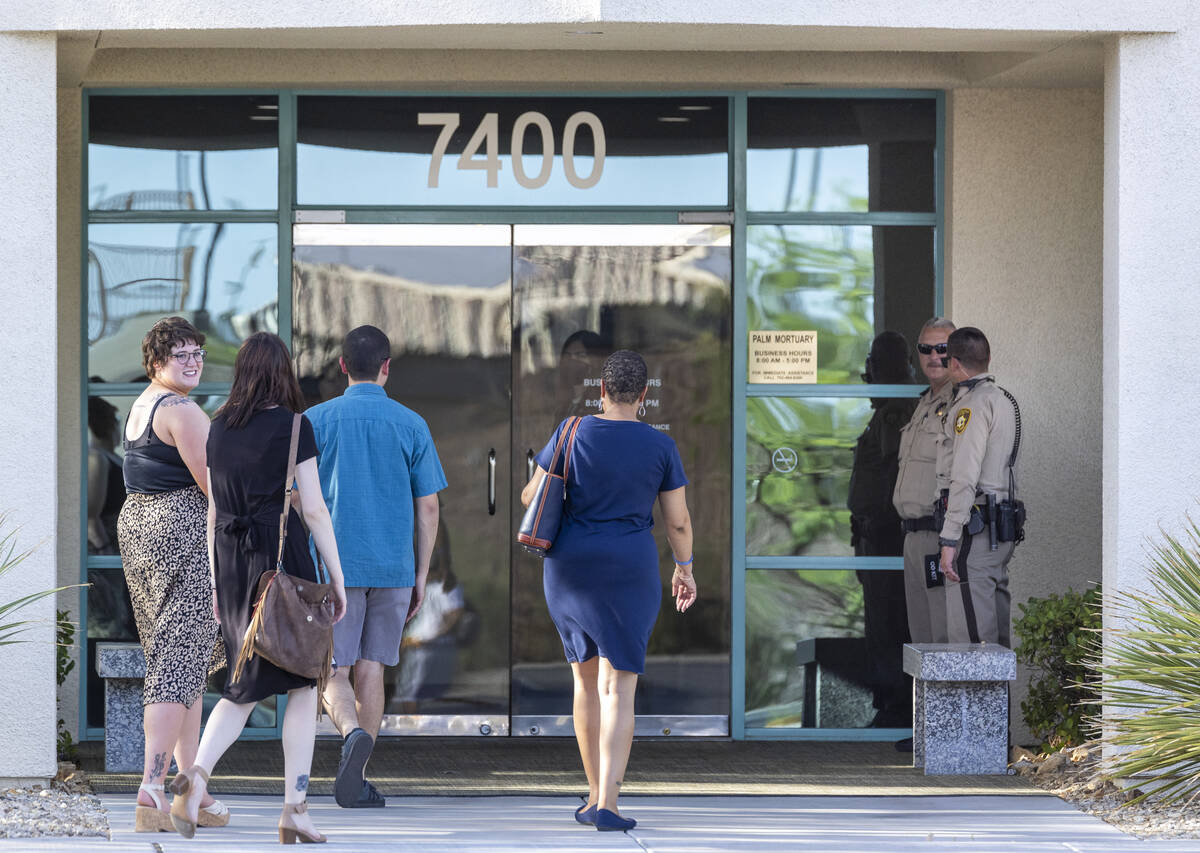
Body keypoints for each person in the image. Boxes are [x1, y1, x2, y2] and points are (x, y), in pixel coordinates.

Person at [167, 332, 348, 844]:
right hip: (280, 565)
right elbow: (313, 508)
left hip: (231, 565)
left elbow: (214, 510)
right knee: (303, 684)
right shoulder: (295, 427)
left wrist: (217, 579)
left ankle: (195, 783)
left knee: (242, 685)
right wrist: (336, 577)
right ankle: (293, 809)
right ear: (282, 373)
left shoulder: (219, 426)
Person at [520, 349, 697, 832]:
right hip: (628, 570)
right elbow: (677, 522)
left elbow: (530, 497)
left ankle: (593, 794)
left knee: (584, 682)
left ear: (601, 390)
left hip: (569, 570)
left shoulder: (570, 431)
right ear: (643, 397)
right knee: (620, 685)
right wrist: (685, 568)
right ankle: (609, 806)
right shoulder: (660, 446)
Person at [306, 325, 446, 809]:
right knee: (372, 671)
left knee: (333, 672)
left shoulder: (315, 420)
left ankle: (348, 735)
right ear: (387, 367)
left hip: (332, 569)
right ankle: (359, 777)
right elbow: (429, 508)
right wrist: (422, 574)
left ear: (342, 366)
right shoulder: (411, 423)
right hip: (393, 567)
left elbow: (293, 496)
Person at [115, 317, 228, 833]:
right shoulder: (181, 409)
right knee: (175, 663)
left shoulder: (142, 405)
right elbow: (216, 486)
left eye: (197, 354)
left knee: (181, 660)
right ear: (156, 362)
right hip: (181, 535)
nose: (193, 363)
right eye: (180, 355)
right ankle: (153, 787)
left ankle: (188, 785)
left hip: (141, 530)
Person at [935, 327, 1022, 647]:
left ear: (955, 364)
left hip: (975, 531)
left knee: (972, 644)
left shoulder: (971, 406)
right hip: (996, 529)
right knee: (994, 641)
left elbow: (965, 476)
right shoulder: (1000, 399)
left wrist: (949, 537)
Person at [847, 331, 917, 729]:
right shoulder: (891, 406)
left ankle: (895, 706)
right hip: (875, 532)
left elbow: (897, 471)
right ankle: (891, 703)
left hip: (888, 533)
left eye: (871, 367)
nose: (866, 377)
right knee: (881, 620)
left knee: (889, 621)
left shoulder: (898, 408)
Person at [893, 317, 957, 648]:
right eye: (926, 348)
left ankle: (947, 702)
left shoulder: (960, 404)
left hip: (939, 537)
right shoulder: (923, 404)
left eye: (942, 349)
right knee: (921, 640)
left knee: (943, 635)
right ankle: (927, 703)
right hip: (913, 537)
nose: (934, 356)